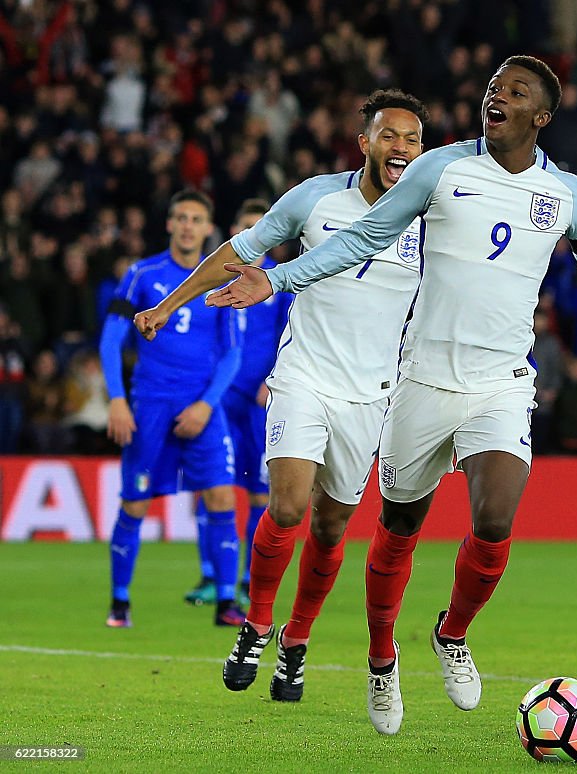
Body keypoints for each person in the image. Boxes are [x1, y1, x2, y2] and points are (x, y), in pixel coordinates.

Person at [206, 56, 577, 735]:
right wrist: (278, 280)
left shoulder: (570, 196)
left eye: (514, 92)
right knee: (398, 530)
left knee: (493, 520)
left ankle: (452, 633)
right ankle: (380, 657)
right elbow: (367, 237)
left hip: (501, 384)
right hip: (421, 380)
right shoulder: (441, 169)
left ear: (540, 116)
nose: (497, 97)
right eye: (493, 88)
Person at [134, 90, 429, 703]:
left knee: (330, 528)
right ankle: (257, 624)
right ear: (365, 142)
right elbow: (237, 255)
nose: (401, 146)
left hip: (371, 394)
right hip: (304, 377)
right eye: (389, 135)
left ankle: (295, 643)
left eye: (412, 139)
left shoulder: (428, 220)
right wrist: (167, 306)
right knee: (289, 506)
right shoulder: (316, 197)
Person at [99, 189, 245, 629]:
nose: (187, 226)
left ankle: (224, 602)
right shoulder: (142, 274)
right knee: (136, 501)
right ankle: (120, 602)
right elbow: (110, 339)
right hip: (150, 405)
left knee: (221, 495)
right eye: (180, 217)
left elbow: (232, 353)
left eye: (196, 219)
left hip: (202, 405)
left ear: (207, 228)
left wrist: (205, 404)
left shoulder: (225, 279)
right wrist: (118, 399)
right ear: (169, 224)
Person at [184, 199, 292, 608]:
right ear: (236, 234)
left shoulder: (280, 291)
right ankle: (212, 575)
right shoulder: (214, 288)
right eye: (247, 228)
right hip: (218, 400)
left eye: (261, 228)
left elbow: (291, 339)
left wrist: (272, 381)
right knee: (213, 486)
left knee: (260, 493)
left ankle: (250, 578)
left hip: (258, 401)